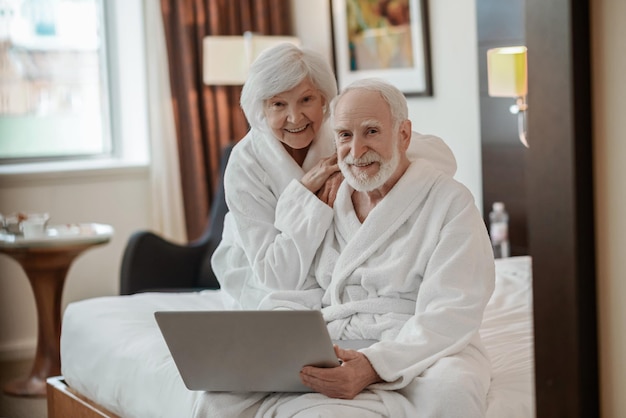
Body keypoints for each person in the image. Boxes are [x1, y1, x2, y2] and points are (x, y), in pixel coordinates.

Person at [241, 78, 495, 417]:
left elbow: (453, 310)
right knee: (224, 394)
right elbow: (305, 287)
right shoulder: (331, 201)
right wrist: (281, 333)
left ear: (403, 134)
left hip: (421, 344)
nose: (356, 151)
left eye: (371, 132)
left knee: (452, 393)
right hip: (338, 340)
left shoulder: (449, 202)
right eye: (345, 135)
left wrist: (374, 365)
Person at [211, 44, 457, 311]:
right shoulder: (246, 163)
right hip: (259, 277)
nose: (295, 118)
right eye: (278, 104)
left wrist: (353, 168)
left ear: (324, 99)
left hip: (332, 277)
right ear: (261, 108)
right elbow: (276, 276)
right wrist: (306, 196)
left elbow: (442, 158)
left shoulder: (341, 134)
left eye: (306, 100)